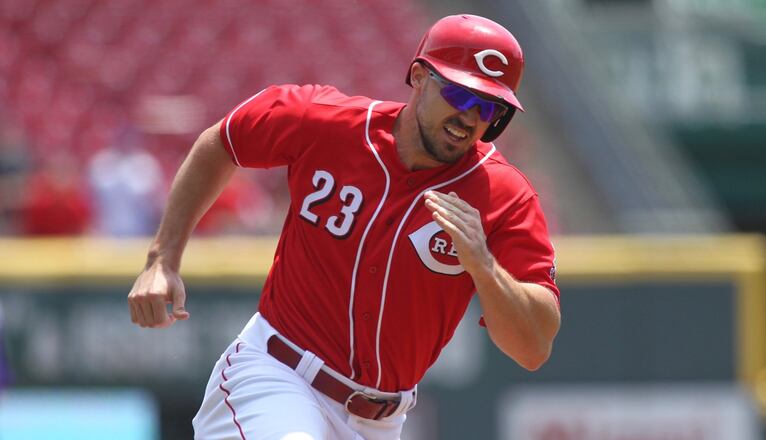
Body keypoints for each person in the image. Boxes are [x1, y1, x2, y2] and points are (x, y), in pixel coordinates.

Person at [128, 14, 561, 440]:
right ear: (418, 76)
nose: (470, 117)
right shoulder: (326, 121)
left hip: (382, 421)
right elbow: (223, 141)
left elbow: (533, 347)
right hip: (276, 375)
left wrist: (484, 266)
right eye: (460, 95)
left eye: (488, 106)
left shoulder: (505, 196)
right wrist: (162, 258)